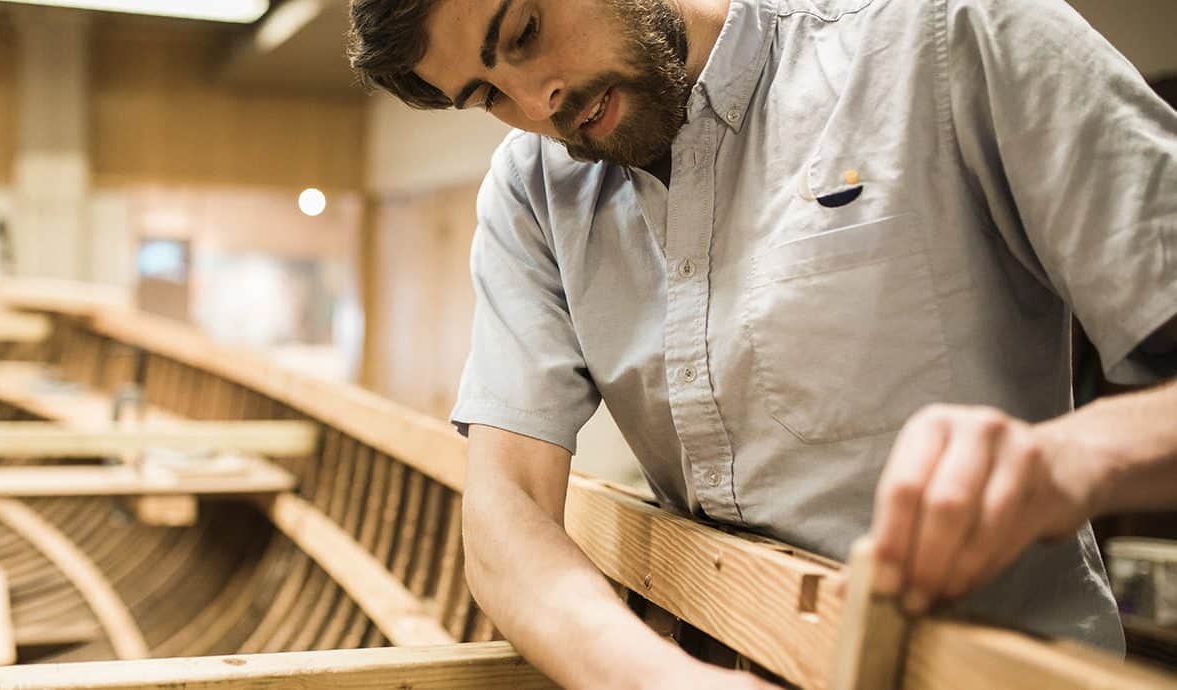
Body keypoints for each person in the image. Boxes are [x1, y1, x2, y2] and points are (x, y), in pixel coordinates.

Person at [347, 0, 1177, 687]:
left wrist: (1075, 458)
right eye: (487, 94)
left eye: (524, 33)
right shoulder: (534, 190)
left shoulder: (946, 35)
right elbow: (506, 521)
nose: (538, 105)